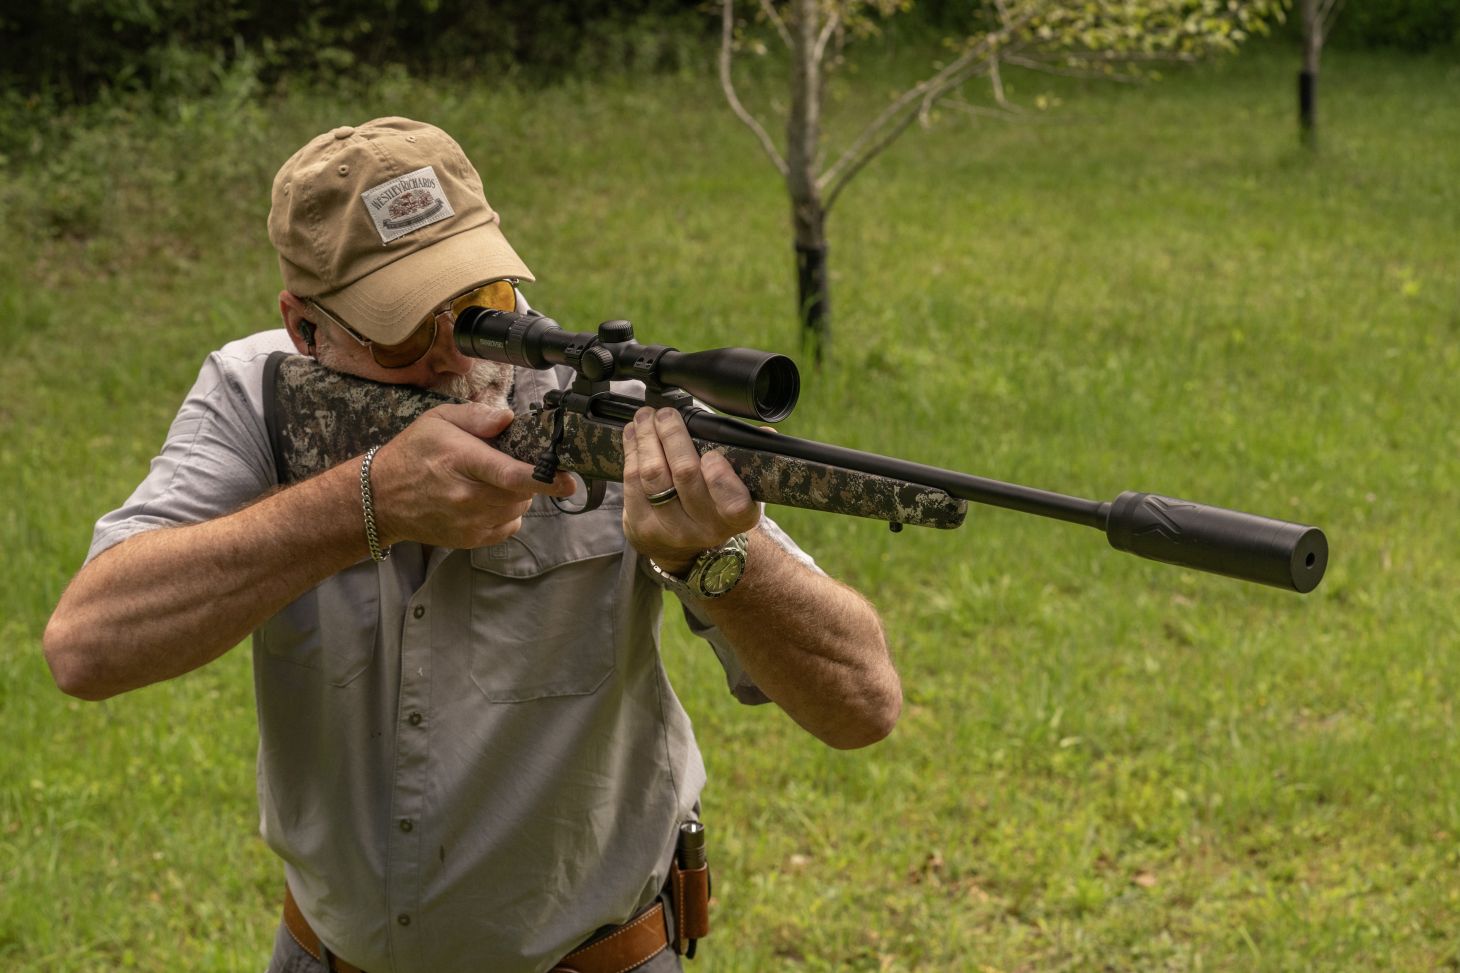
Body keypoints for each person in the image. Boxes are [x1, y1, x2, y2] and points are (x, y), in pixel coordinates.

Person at [42, 116, 899, 973]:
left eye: (480, 304)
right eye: (404, 327)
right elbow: (87, 646)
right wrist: (365, 503)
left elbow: (863, 703)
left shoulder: (621, 418)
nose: (457, 356)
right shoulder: (256, 395)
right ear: (305, 329)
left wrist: (713, 561)